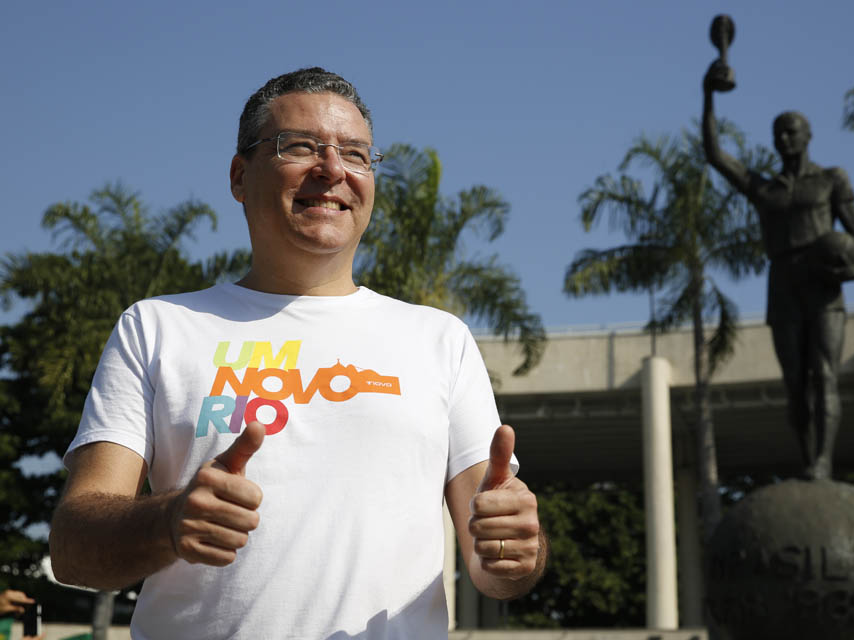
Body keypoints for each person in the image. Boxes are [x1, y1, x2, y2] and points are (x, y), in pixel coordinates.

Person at [49, 67, 546, 639]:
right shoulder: (159, 327)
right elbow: (73, 549)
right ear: (240, 175)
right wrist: (170, 520)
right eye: (301, 146)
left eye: (356, 154)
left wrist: (513, 549)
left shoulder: (441, 340)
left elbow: (496, 571)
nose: (333, 169)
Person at [702, 60, 854, 480]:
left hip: (824, 284)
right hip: (783, 283)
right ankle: (808, 456)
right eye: (778, 132)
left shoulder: (831, 180)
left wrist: (853, 267)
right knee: (795, 382)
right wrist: (708, 94)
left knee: (824, 373)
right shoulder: (766, 190)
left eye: (792, 130)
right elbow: (715, 155)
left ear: (808, 136)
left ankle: (824, 463)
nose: (785, 137)